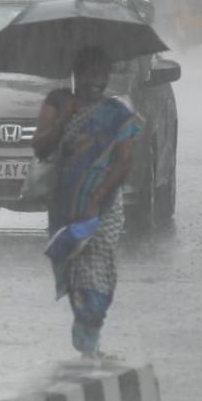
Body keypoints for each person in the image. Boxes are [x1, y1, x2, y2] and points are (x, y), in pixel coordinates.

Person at [32, 47, 141, 360]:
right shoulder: (58, 103)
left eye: (101, 74)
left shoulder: (118, 114)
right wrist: (64, 119)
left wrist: (96, 200)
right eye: (89, 74)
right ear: (76, 75)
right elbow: (40, 147)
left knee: (98, 272)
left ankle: (88, 337)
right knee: (74, 271)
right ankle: (88, 343)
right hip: (64, 204)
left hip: (103, 207)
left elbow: (123, 163)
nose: (96, 81)